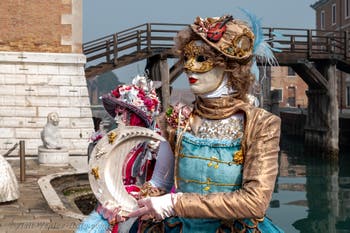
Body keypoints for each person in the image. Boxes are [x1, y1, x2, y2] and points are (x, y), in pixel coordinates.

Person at [83, 13, 284, 233]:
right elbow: (159, 184)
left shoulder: (260, 124)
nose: (188, 67)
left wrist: (174, 203)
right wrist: (124, 203)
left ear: (228, 66)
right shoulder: (177, 120)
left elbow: (255, 201)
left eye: (200, 59)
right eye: (186, 57)